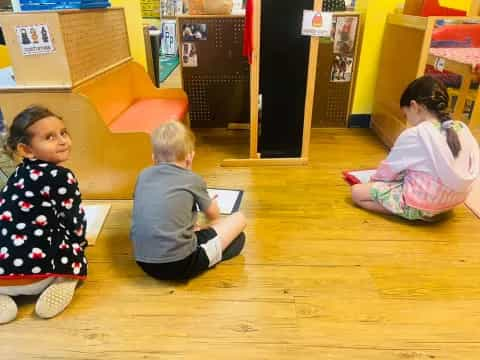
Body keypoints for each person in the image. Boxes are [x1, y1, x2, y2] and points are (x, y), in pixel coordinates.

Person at [0, 106, 87, 324]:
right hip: (40, 273)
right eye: (50, 137)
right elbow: (73, 221)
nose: (62, 141)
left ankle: (4, 294)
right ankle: (64, 280)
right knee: (73, 247)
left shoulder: (18, 172)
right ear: (26, 150)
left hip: (4, 271)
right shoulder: (62, 177)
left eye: (63, 133)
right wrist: (79, 246)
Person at [351, 76, 480, 221]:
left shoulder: (415, 134)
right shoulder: (461, 128)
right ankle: (432, 211)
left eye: (406, 114)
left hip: (424, 203)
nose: (407, 119)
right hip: (454, 199)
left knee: (357, 192)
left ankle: (415, 212)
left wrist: (373, 181)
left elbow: (389, 169)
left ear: (414, 106)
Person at [131, 121, 246, 281]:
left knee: (202, 230)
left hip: (143, 262)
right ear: (190, 157)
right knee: (239, 224)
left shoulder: (142, 175)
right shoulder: (192, 179)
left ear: (153, 159)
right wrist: (212, 206)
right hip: (181, 264)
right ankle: (207, 255)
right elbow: (214, 216)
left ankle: (202, 243)